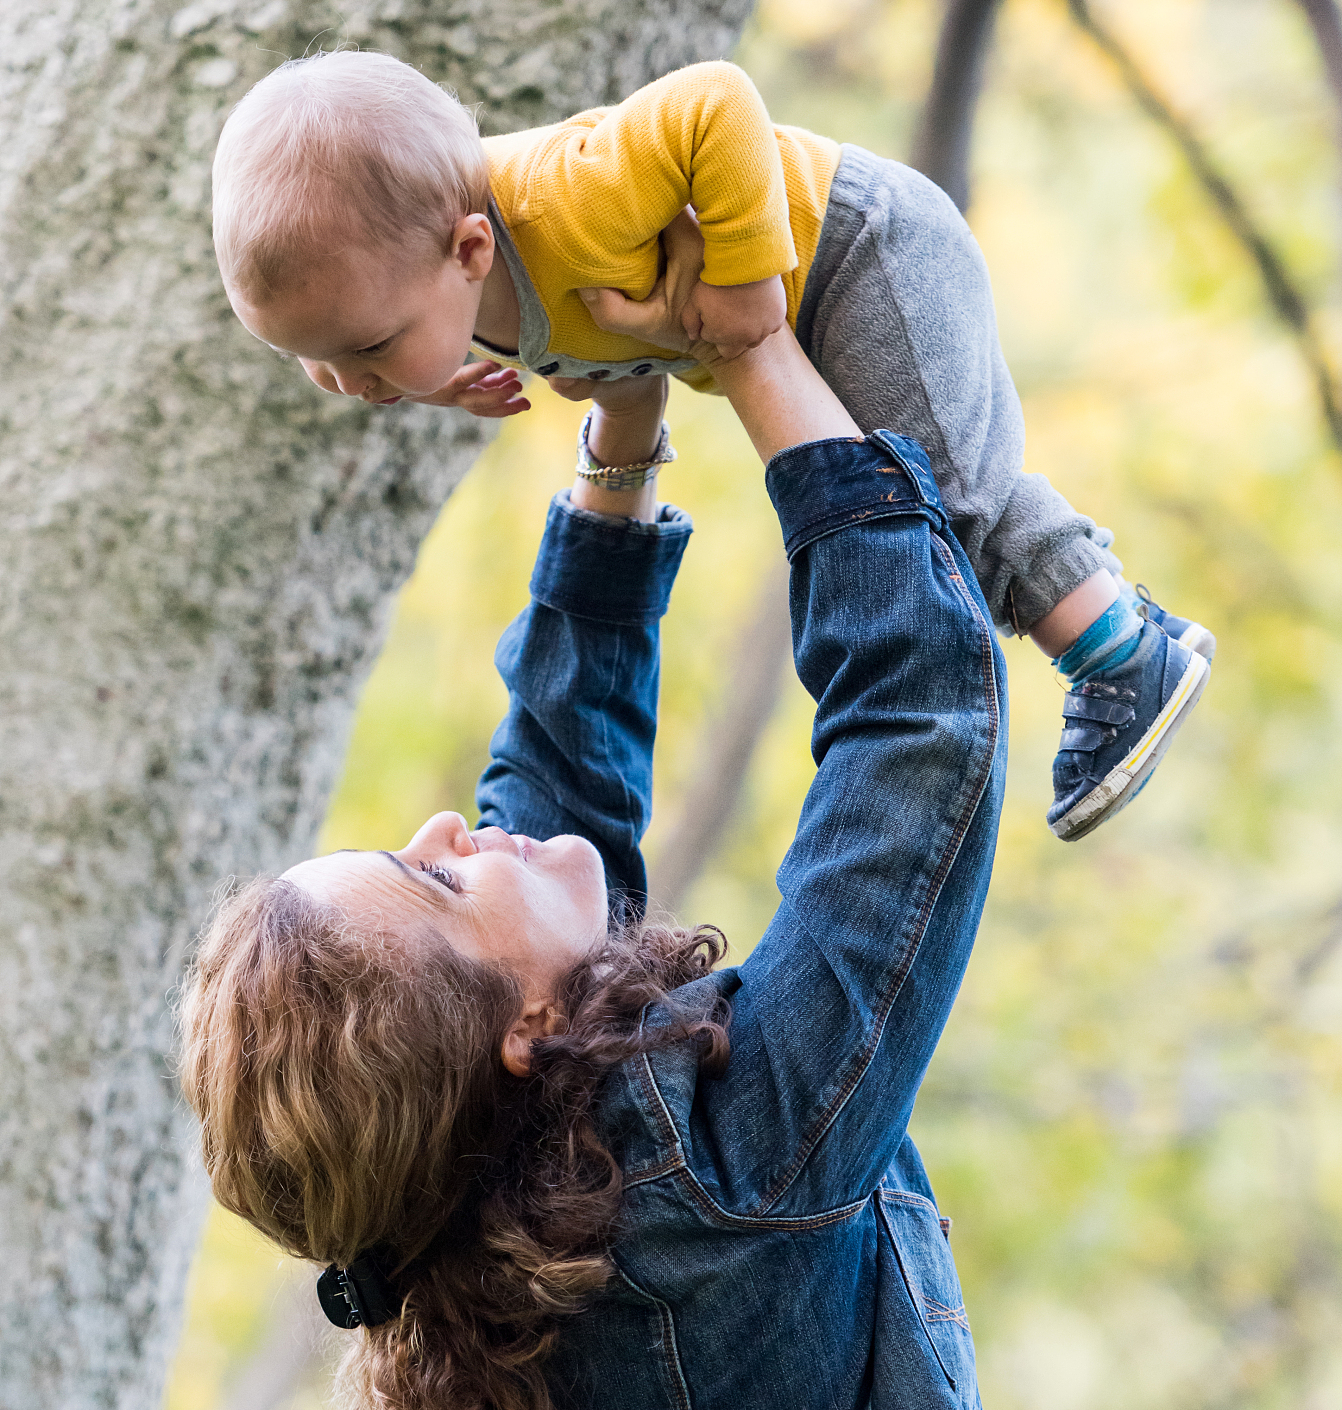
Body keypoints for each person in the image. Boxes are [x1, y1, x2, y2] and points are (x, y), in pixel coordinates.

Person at [181, 318, 1039, 1410]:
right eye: (431, 880)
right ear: (513, 1041)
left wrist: (621, 444)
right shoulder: (700, 1169)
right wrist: (759, 356)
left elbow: (543, 823)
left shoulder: (471, 1229)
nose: (457, 827)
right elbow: (917, 730)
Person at [210, 48, 1214, 842]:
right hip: (821, 287)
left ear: (470, 249)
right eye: (314, 362)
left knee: (938, 508)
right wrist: (437, 368)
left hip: (861, 248)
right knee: (940, 496)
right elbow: (519, 335)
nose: (350, 381)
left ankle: (1122, 656)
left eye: (367, 349)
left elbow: (712, 101)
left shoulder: (564, 192)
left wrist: (740, 281)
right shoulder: (428, 272)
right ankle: (1120, 632)